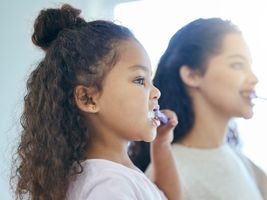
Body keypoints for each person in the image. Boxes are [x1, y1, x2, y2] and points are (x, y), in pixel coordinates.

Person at [130, 18, 267, 199]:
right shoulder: (169, 174)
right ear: (192, 75)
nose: (254, 78)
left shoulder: (235, 159)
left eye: (250, 66)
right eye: (238, 65)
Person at [11, 4, 182, 200]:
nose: (156, 92)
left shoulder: (110, 175)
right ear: (88, 98)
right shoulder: (109, 185)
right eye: (139, 80)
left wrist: (161, 146)